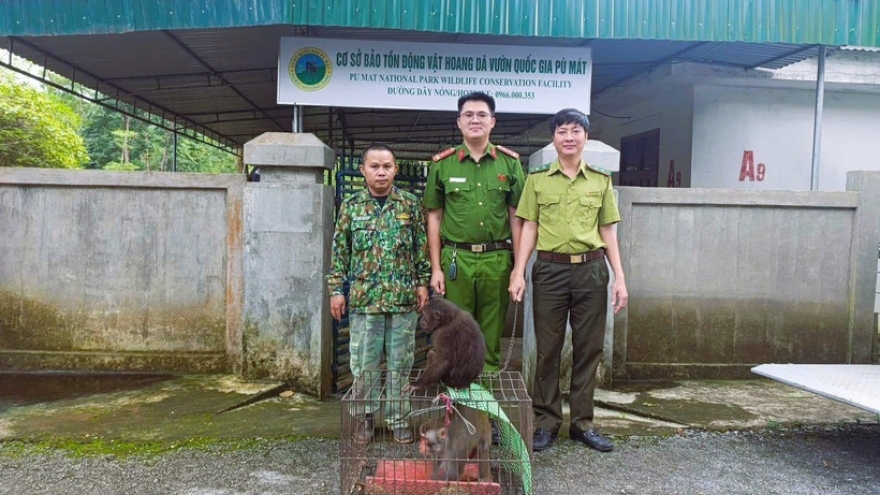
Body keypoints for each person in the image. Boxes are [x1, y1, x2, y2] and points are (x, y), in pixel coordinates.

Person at [509, 108, 628, 452]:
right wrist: (519, 271)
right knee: (547, 350)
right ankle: (545, 422)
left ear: (585, 137)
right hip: (549, 269)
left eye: (576, 131)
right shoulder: (538, 180)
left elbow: (608, 230)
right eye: (562, 131)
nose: (569, 137)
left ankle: (582, 423)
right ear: (554, 138)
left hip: (592, 269)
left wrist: (619, 277)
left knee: (589, 348)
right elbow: (528, 226)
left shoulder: (600, 180)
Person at [327, 144, 430, 444]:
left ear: (396, 169)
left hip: (402, 301)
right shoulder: (351, 205)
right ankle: (366, 419)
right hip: (365, 300)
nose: (381, 171)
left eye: (387, 165)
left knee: (401, 363)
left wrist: (423, 283)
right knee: (364, 365)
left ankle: (399, 420)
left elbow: (420, 248)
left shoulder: (409, 204)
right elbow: (339, 251)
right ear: (363, 170)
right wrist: (336, 290)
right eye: (375, 166)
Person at [423, 91, 525, 373]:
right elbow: (434, 216)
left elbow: (517, 215)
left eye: (482, 114)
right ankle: (456, 407)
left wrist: (518, 269)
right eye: (468, 115)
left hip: (497, 260)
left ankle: (484, 406)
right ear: (459, 122)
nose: (475, 120)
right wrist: (436, 268)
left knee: (491, 335)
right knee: (455, 334)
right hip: (457, 260)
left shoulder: (510, 163)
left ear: (493, 122)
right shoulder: (443, 164)